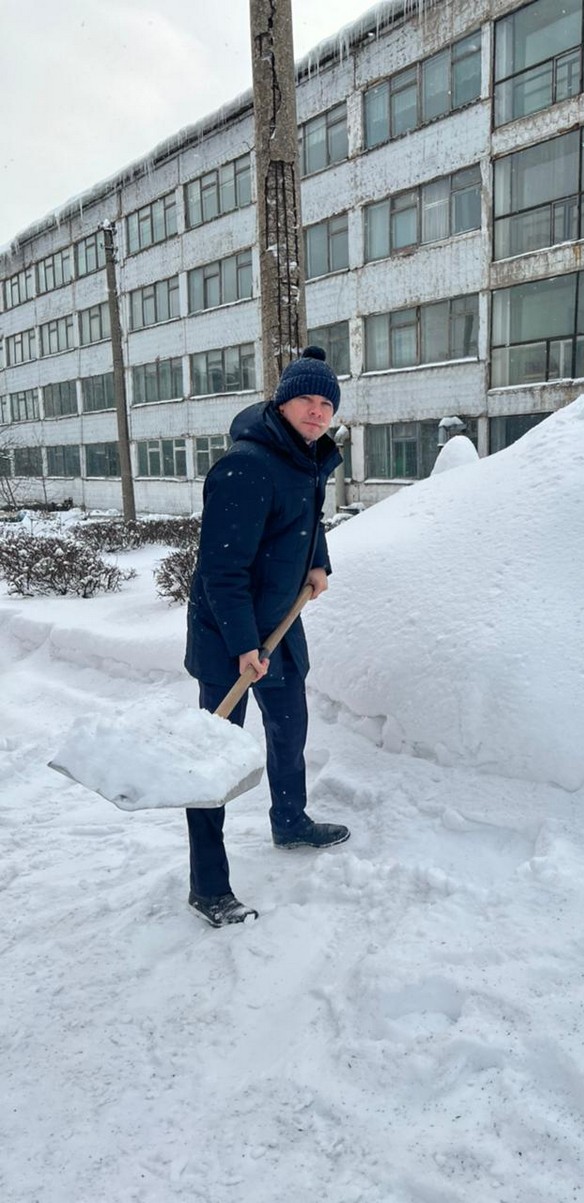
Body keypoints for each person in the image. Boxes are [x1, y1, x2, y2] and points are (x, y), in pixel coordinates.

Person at [183, 346, 349, 927]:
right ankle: (208, 885)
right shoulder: (248, 465)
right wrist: (241, 644)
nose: (317, 410)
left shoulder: (303, 461)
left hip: (280, 626)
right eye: (307, 398)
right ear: (281, 401)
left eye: (327, 402)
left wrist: (318, 562)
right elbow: (220, 570)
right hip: (230, 636)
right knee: (215, 759)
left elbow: (307, 525)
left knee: (288, 728)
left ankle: (290, 820)